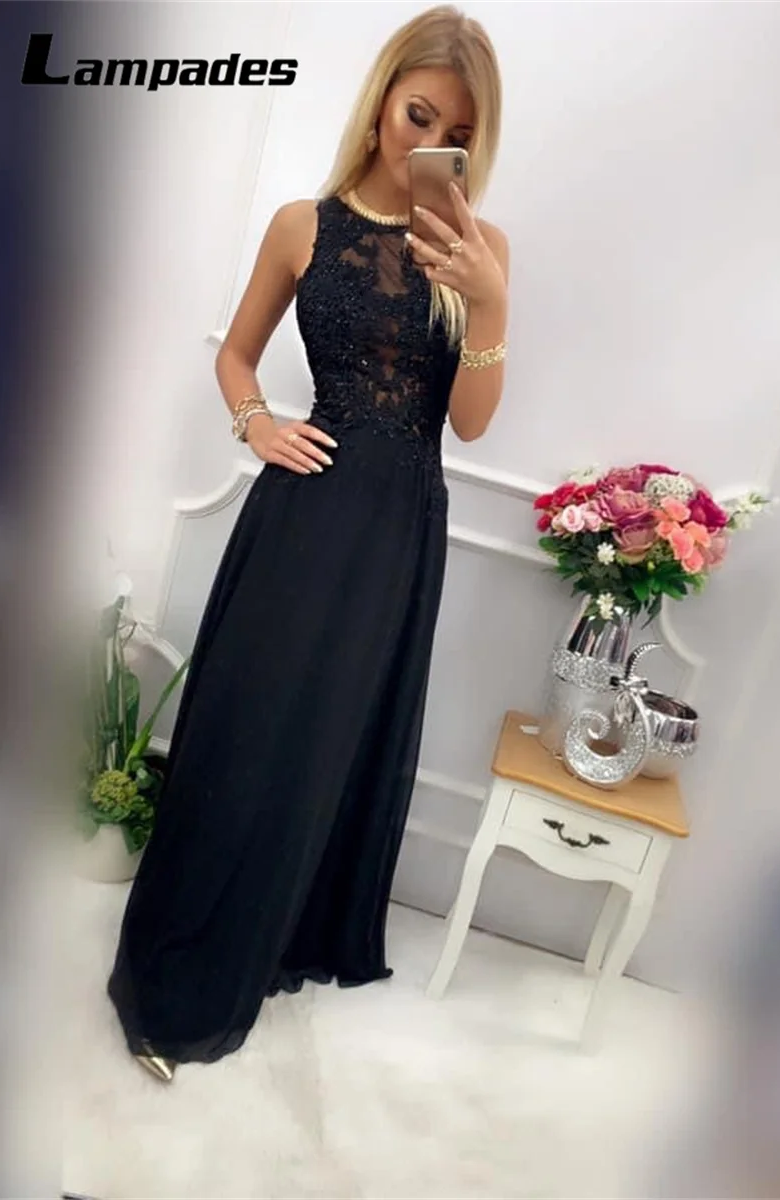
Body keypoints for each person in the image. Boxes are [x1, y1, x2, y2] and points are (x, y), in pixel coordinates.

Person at [106, 4, 509, 1082]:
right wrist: (257, 425)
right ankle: (187, 961)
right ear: (380, 102)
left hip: (398, 530)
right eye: (417, 115)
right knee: (247, 722)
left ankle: (284, 928)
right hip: (299, 511)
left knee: (333, 735)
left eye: (456, 134)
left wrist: (489, 305)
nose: (428, 143)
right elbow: (235, 356)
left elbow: (471, 425)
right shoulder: (302, 225)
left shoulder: (483, 252)